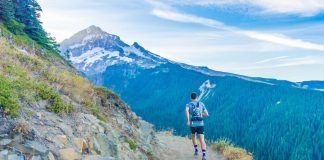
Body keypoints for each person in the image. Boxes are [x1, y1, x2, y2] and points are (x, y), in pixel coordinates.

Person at [186, 92, 209, 160]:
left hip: (193, 124)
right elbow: (207, 114)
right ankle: (204, 155)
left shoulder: (188, 105)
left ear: (191, 98)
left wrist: (188, 120)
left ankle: (196, 150)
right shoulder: (201, 104)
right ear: (197, 97)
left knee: (193, 136)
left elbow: (187, 111)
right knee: (202, 139)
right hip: (200, 124)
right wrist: (201, 115)